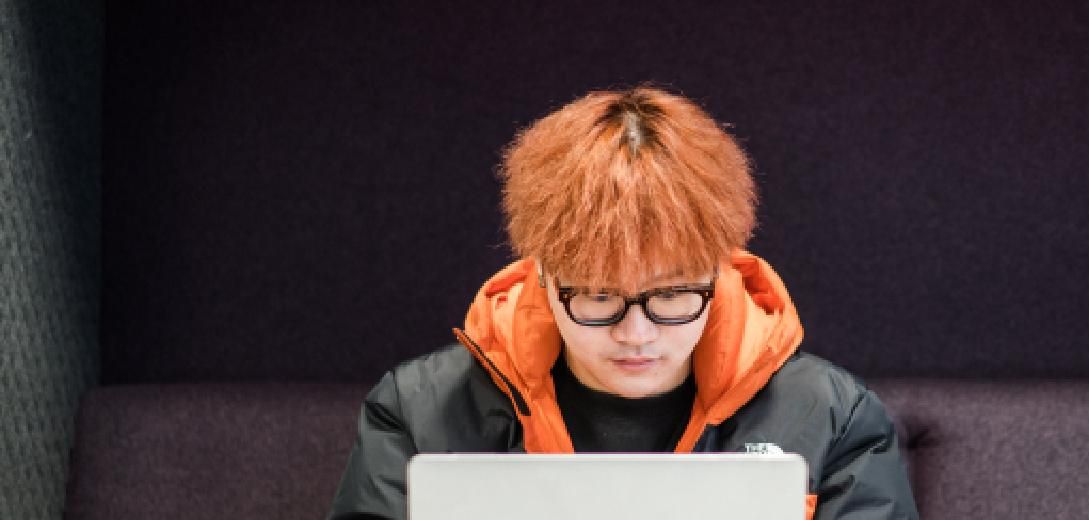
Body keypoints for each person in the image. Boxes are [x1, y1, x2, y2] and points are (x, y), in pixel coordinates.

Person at [327, 86, 919, 519]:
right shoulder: (415, 411)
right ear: (542, 277)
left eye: (671, 294)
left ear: (720, 273)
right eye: (597, 296)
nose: (636, 333)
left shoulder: (833, 418)